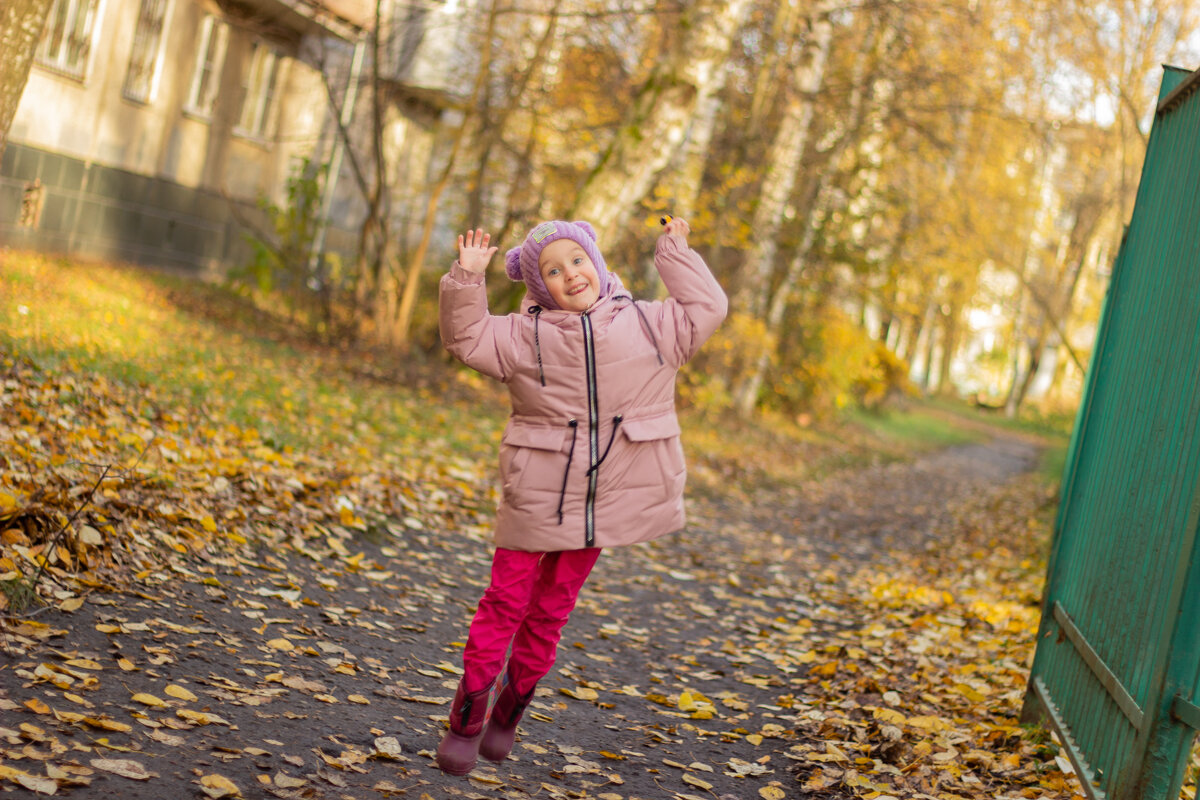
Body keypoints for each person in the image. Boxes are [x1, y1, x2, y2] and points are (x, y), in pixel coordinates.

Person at [435, 217, 727, 775]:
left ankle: (508, 716)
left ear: (595, 260)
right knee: (504, 604)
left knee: (548, 614)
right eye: (552, 270)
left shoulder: (649, 323)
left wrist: (673, 253)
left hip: (604, 501)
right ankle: (466, 721)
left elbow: (707, 307)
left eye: (577, 260)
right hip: (537, 492)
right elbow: (466, 337)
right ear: (538, 285)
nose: (570, 274)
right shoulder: (524, 337)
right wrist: (466, 280)